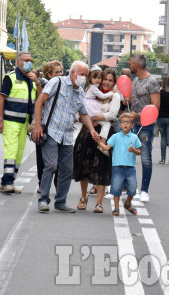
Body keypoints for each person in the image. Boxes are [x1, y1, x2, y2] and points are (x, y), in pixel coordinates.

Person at [33, 61, 98, 213]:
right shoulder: (57, 82)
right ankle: (43, 200)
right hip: (51, 132)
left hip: (67, 135)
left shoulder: (80, 92)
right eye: (82, 75)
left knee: (67, 169)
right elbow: (39, 101)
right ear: (73, 73)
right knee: (51, 165)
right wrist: (37, 125)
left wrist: (91, 129)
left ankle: (60, 202)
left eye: (86, 75)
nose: (84, 78)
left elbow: (83, 113)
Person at [73, 68, 119, 213]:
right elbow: (79, 112)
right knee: (84, 164)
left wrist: (93, 118)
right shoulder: (90, 91)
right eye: (104, 79)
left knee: (101, 167)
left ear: (114, 82)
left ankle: (99, 203)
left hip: (104, 135)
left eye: (110, 80)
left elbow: (112, 115)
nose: (106, 82)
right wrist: (87, 119)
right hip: (87, 132)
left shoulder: (115, 96)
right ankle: (83, 197)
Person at [0, 51, 42, 194]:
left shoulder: (31, 80)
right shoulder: (11, 78)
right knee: (11, 149)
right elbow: (1, 98)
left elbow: (41, 97)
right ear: (18, 62)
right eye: (26, 60)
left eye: (31, 60)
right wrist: (0, 120)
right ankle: (8, 182)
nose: (29, 62)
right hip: (10, 120)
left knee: (19, 152)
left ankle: (9, 181)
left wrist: (37, 82)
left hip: (24, 123)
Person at [127, 53, 160, 203]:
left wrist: (139, 115)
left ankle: (145, 190)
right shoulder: (135, 80)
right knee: (127, 155)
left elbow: (155, 106)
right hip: (132, 124)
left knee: (145, 157)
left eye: (130, 63)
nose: (129, 65)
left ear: (136, 64)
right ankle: (126, 188)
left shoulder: (152, 81)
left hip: (146, 125)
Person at [97, 112, 142, 216]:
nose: (125, 124)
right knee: (116, 188)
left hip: (130, 168)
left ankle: (128, 203)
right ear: (120, 125)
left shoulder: (134, 137)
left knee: (132, 188)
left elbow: (139, 152)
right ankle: (116, 208)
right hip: (117, 167)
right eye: (123, 122)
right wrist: (99, 142)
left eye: (128, 122)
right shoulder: (115, 136)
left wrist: (134, 150)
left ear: (132, 125)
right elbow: (107, 148)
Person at [36, 61, 63, 192]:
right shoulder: (42, 84)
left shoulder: (64, 85)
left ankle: (58, 186)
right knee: (42, 158)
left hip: (59, 127)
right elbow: (40, 100)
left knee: (59, 159)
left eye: (61, 71)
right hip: (44, 126)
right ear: (49, 74)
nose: (60, 74)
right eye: (56, 72)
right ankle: (42, 184)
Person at [84, 67, 114, 148]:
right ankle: (102, 144)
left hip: (90, 108)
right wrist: (111, 93)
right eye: (95, 77)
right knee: (107, 124)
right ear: (90, 78)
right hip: (91, 108)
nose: (97, 80)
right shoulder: (93, 87)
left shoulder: (89, 86)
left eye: (99, 77)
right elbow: (102, 96)